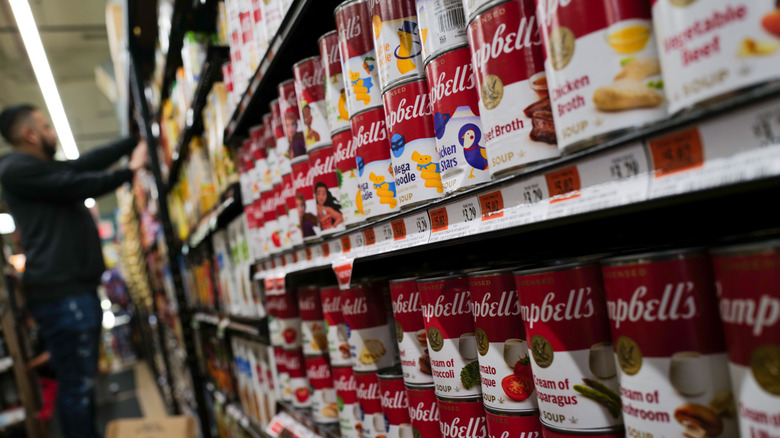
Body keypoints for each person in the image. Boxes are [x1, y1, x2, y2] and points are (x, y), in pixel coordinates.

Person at [0, 104, 147, 438]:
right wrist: (131, 169)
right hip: (62, 294)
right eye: (45, 126)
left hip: (70, 292)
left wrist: (129, 143)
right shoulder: (16, 169)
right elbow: (79, 183)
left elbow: (83, 165)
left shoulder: (35, 168)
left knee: (81, 385)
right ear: (29, 134)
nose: (51, 132)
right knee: (77, 387)